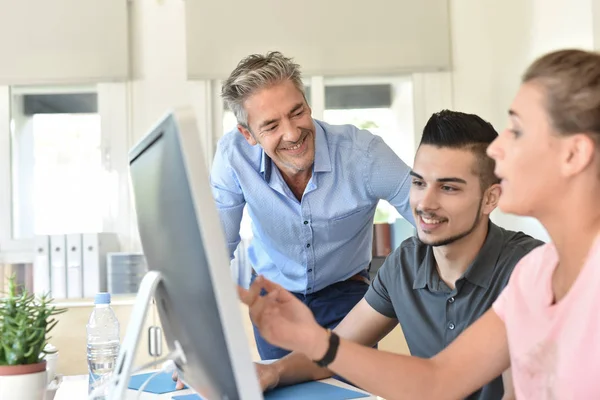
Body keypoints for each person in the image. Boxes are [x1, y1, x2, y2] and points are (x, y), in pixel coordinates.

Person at [241, 49, 600, 399]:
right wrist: (310, 340)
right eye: (418, 182)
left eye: (517, 131)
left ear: (574, 154)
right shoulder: (536, 274)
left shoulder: (530, 268)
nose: (497, 148)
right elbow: (440, 381)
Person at [248, 110, 543, 400]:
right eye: (418, 183)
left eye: (448, 187)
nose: (425, 203)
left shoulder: (531, 270)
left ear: (490, 198)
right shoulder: (405, 263)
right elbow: (337, 348)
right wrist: (273, 372)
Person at [211, 51, 414, 360]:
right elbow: (213, 253)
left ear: (307, 103)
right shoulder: (232, 158)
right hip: (274, 299)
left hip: (348, 296)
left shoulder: (364, 155)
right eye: (271, 126)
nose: (292, 134)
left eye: (297, 112)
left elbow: (431, 213)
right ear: (247, 134)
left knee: (352, 392)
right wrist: (198, 349)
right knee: (281, 387)